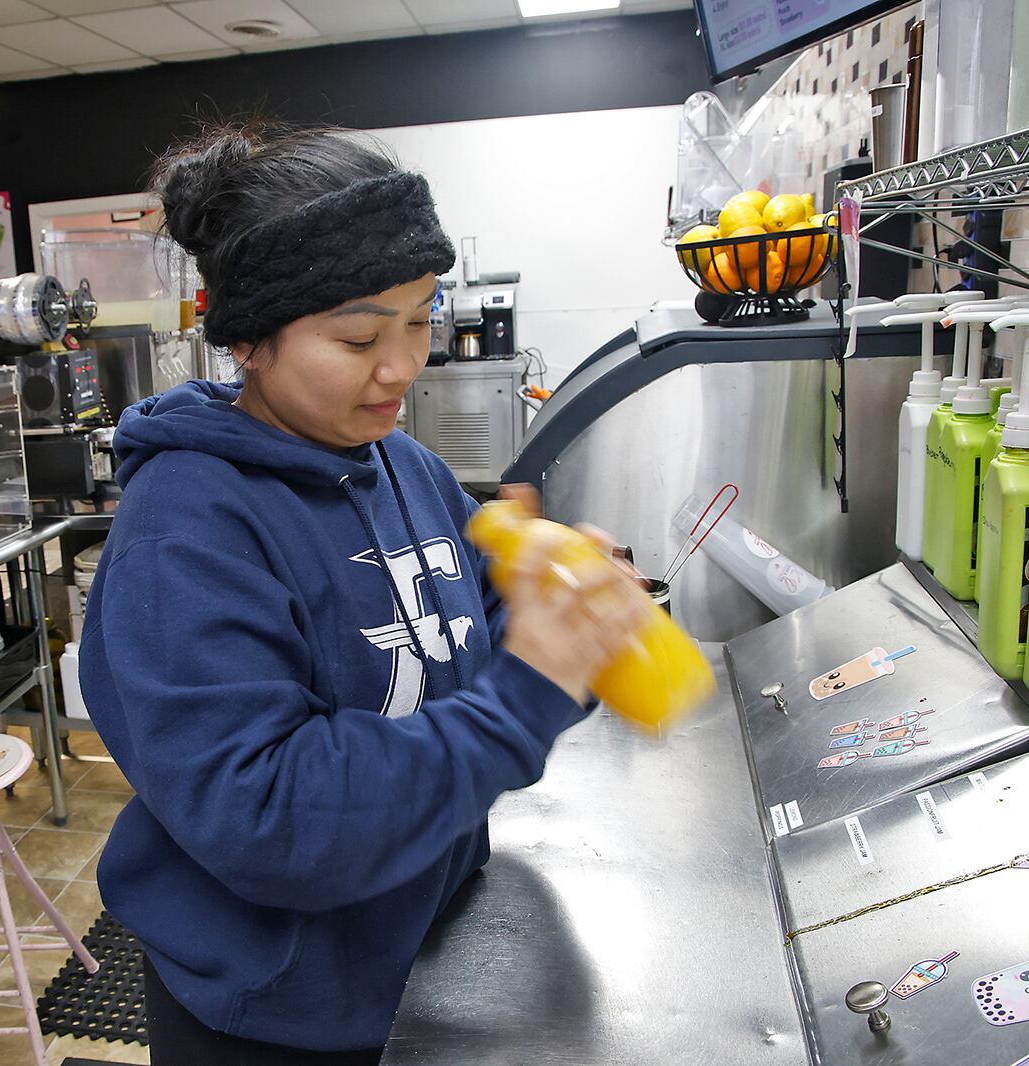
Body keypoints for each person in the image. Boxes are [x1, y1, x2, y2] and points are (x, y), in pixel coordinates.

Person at [78, 125, 652, 1065]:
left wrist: (572, 614)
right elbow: (270, 814)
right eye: (357, 337)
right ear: (252, 341)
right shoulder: (185, 531)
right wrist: (526, 696)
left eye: (420, 320)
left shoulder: (405, 466)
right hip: (280, 1012)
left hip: (415, 951)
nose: (402, 367)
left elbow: (474, 612)